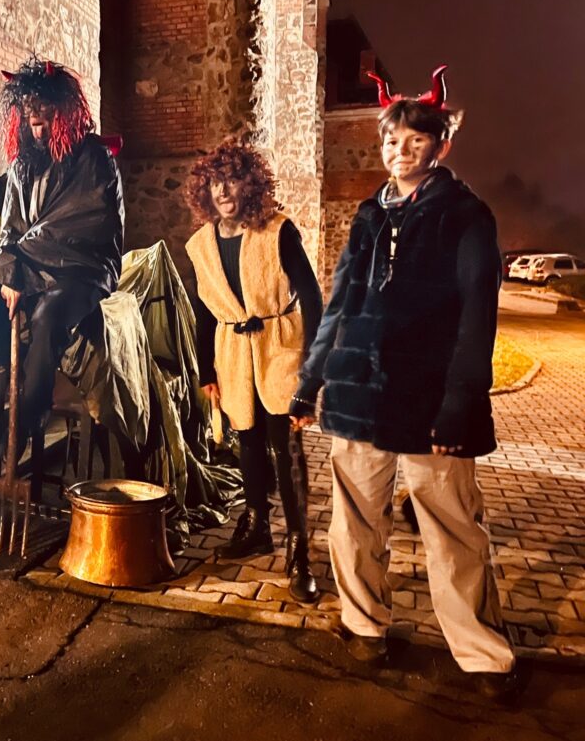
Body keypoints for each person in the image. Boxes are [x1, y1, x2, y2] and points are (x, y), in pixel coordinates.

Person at [289, 66, 518, 698]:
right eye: (392, 140)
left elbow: (478, 313)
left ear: (441, 143)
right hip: (358, 394)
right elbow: (340, 303)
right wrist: (310, 382)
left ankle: (482, 654)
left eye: (416, 140)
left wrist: (460, 402)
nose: (401, 151)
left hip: (429, 398)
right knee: (355, 522)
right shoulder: (369, 214)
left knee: (453, 529)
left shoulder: (465, 215)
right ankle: (364, 625)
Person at [0, 57, 124, 456]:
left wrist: (16, 271)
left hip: (82, 269)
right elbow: (9, 230)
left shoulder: (95, 160)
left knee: (46, 316)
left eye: (44, 119)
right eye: (30, 119)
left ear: (65, 114)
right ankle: (28, 371)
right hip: (27, 264)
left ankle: (29, 415)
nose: (36, 128)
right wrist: (10, 273)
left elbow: (70, 227)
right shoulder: (21, 166)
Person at [184, 138, 323, 603]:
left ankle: (300, 548)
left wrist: (313, 370)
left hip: (279, 345)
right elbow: (205, 311)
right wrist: (206, 369)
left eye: (233, 180)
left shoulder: (277, 231)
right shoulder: (201, 246)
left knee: (285, 447)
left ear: (250, 185)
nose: (224, 191)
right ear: (205, 191)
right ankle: (257, 524)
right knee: (246, 439)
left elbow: (313, 299)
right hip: (232, 352)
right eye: (215, 183)